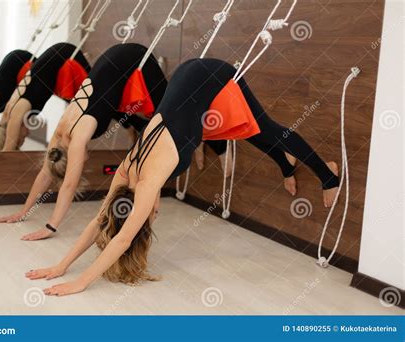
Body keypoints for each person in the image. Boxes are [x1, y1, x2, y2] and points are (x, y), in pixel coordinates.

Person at [25, 58, 339, 296]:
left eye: (149, 217)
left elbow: (121, 238)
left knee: (265, 127)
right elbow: (100, 221)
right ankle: (286, 165)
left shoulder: (147, 182)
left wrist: (79, 282)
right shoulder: (124, 171)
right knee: (244, 126)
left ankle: (329, 175)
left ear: (143, 210)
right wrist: (60, 266)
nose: (154, 215)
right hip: (187, 79)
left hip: (210, 76)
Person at [0, 43, 167, 241]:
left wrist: (51, 227)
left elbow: (69, 185)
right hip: (111, 56)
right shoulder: (59, 136)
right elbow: (45, 173)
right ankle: (137, 129)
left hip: (134, 56)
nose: (84, 163)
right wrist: (23, 212)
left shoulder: (77, 139)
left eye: (78, 164)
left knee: (173, 111)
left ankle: (198, 143)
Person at [0, 42, 91, 151]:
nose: (28, 132)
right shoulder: (11, 111)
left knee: (97, 92)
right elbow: (0, 135)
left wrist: (6, 151)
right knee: (84, 101)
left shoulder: (18, 110)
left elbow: (7, 150)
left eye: (23, 136)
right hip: (57, 55)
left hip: (64, 53)